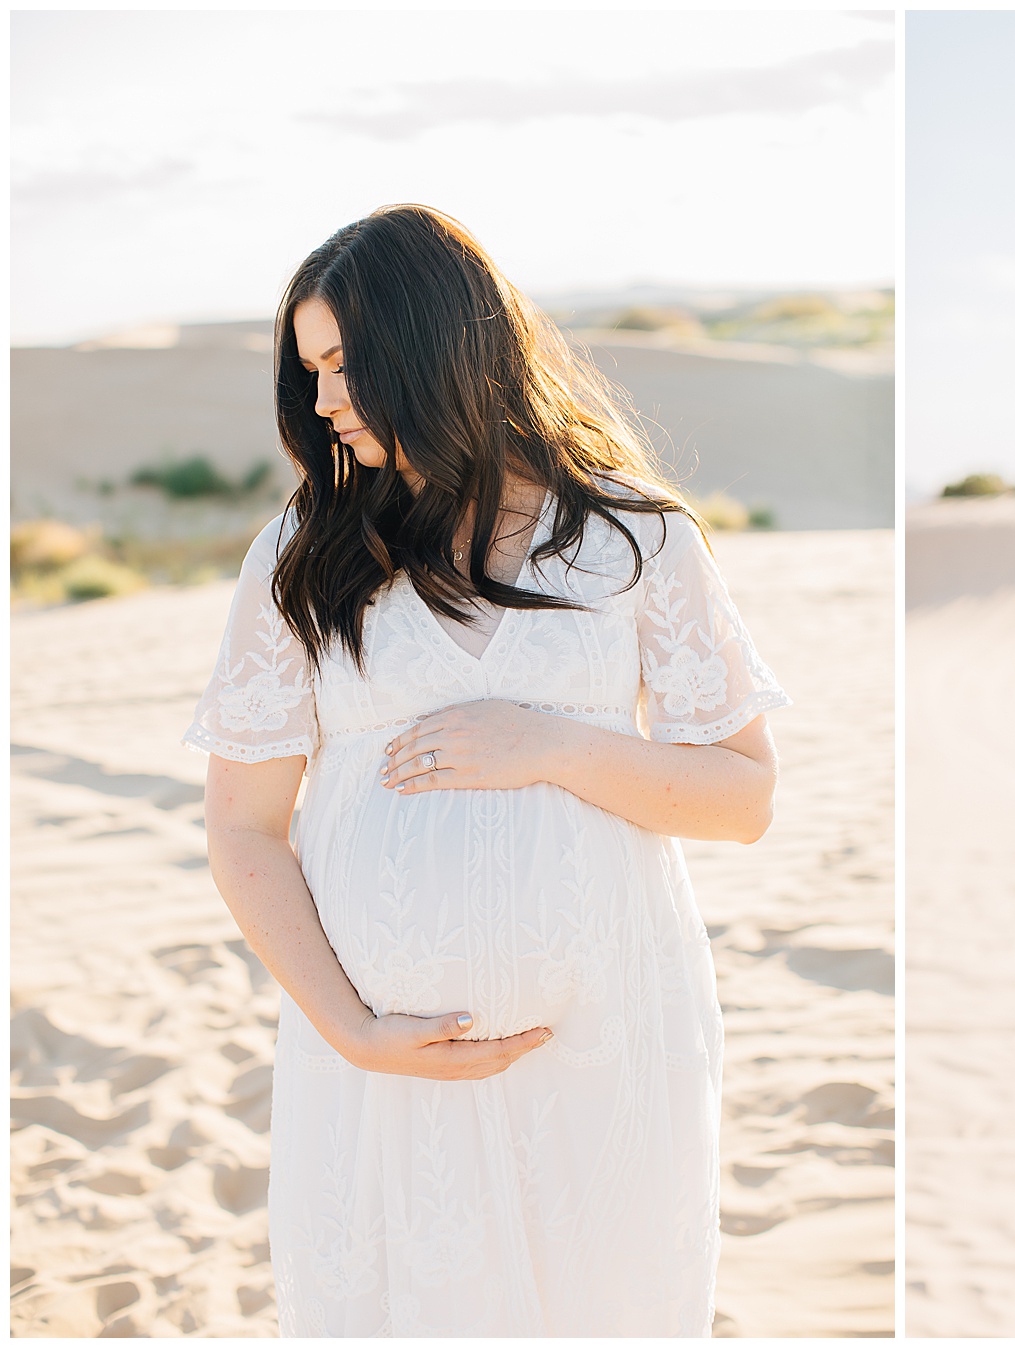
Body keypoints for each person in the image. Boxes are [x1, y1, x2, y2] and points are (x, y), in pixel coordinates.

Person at [184, 204, 790, 1336]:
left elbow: (745, 795)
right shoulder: (301, 556)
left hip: (609, 1051)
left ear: (438, 345)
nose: (322, 403)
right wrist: (352, 1029)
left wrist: (554, 743)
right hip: (383, 1069)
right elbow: (242, 829)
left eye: (345, 364)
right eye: (309, 371)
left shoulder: (636, 537)